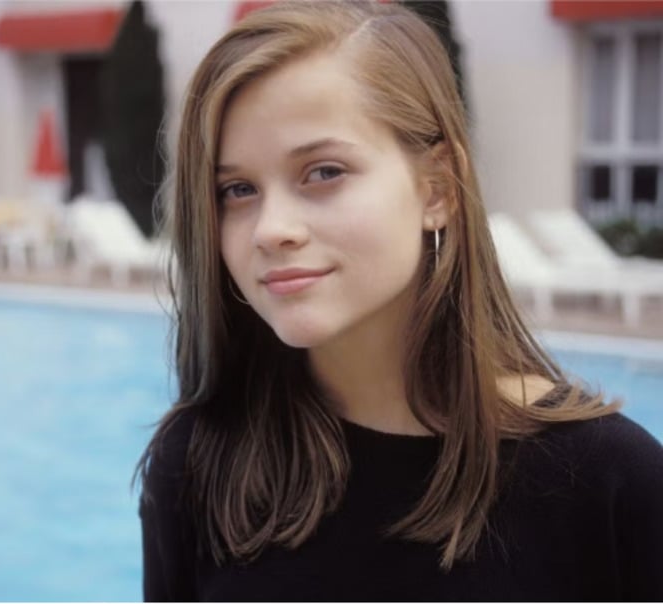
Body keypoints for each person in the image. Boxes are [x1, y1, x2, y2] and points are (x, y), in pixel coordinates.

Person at [137, 1, 663, 600]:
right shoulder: (199, 466)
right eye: (237, 189)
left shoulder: (612, 483)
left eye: (323, 171)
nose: (270, 229)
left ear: (436, 189)